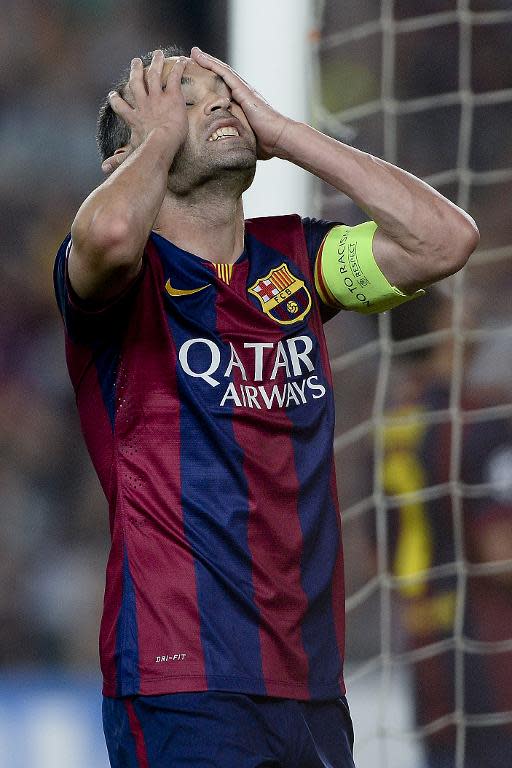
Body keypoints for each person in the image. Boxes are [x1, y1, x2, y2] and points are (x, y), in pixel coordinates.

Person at [53, 44, 479, 768]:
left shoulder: (296, 264)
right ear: (125, 158)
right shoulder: (118, 280)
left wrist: (283, 133)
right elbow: (114, 233)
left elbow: (444, 241)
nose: (215, 102)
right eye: (178, 100)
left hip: (312, 683)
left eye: (219, 90)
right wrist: (156, 143)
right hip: (182, 680)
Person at [382, 296, 512, 768]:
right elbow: (501, 555)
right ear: (441, 324)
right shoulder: (478, 419)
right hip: (495, 668)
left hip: (429, 658)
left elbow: (378, 553)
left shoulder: (391, 425)